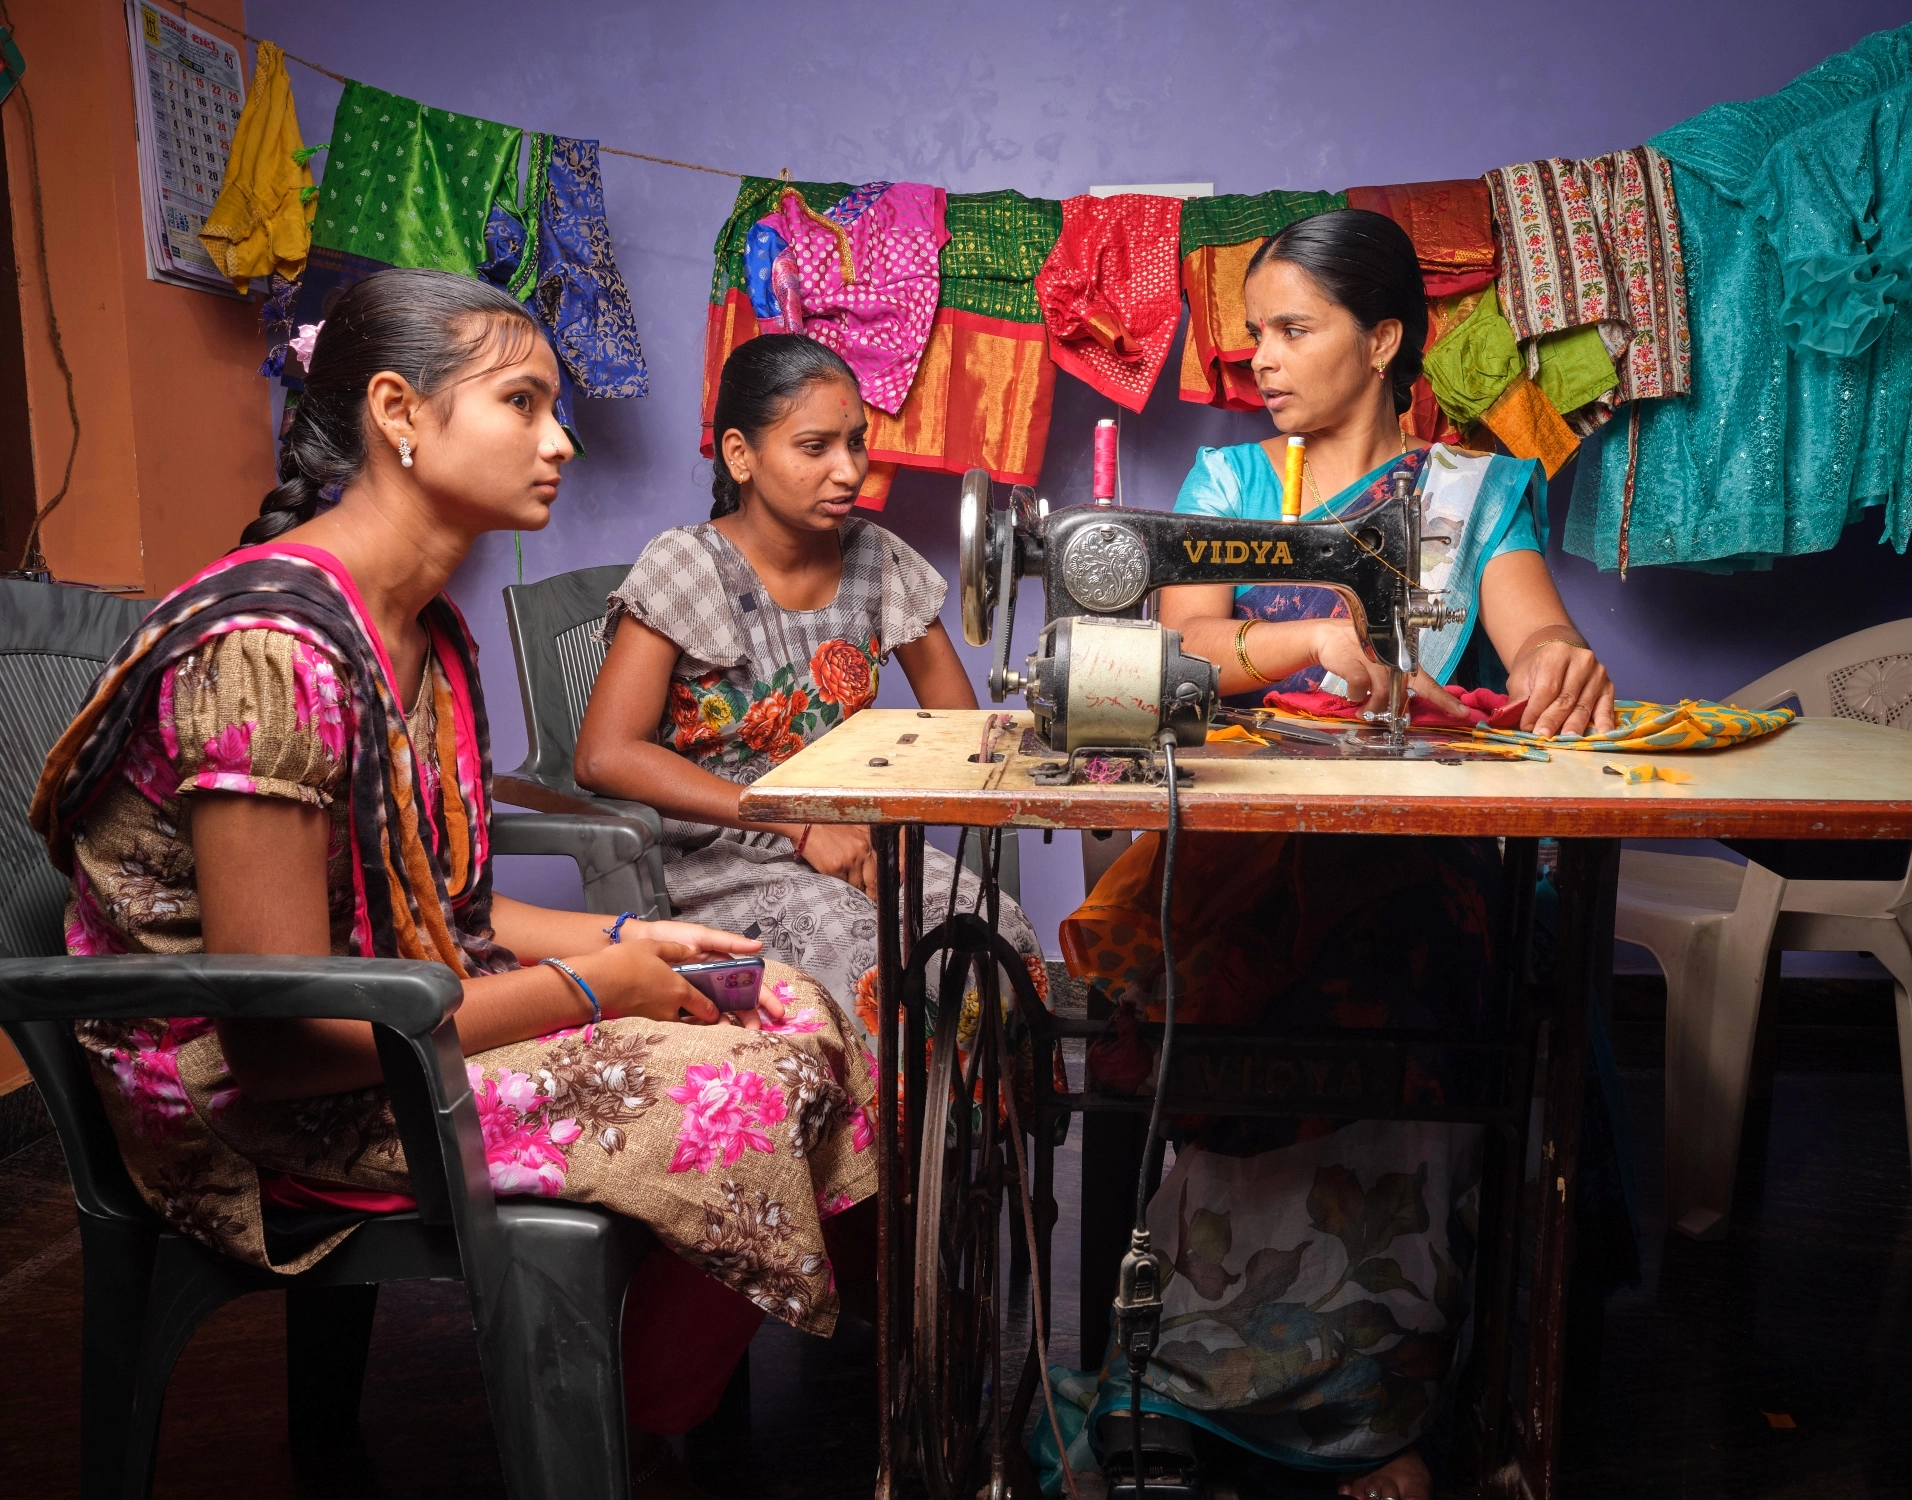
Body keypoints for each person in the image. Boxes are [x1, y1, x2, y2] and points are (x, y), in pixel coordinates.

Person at [32, 270, 877, 1472]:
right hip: (242, 1096)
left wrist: (630, 947)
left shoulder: (423, 628)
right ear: (400, 412)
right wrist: (602, 988)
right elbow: (280, 1036)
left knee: (791, 1003)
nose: (561, 440)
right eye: (523, 404)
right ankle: (610, 1424)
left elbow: (448, 911)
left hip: (388, 1014)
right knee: (737, 1089)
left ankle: (641, 1405)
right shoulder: (271, 653)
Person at [1056, 211, 1617, 1500]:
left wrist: (1549, 662)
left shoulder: (1475, 493)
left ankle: (1381, 1409)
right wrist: (1305, 646)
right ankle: (1182, 1375)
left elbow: (1531, 629)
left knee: (1411, 944)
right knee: (1227, 935)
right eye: (1253, 331)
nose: (1260, 356)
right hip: (1247, 837)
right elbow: (1182, 654)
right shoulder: (1225, 488)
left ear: (1380, 340)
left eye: (1292, 329)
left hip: (1417, 858)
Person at [574, 334, 1045, 1055]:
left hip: (852, 842)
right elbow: (605, 755)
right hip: (716, 856)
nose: (848, 469)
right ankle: (875, 1168)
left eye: (856, 443)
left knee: (998, 934)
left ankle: (961, 1162)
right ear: (741, 455)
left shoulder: (877, 561)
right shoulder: (686, 565)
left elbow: (961, 728)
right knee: (864, 960)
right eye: (815, 447)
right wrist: (793, 824)